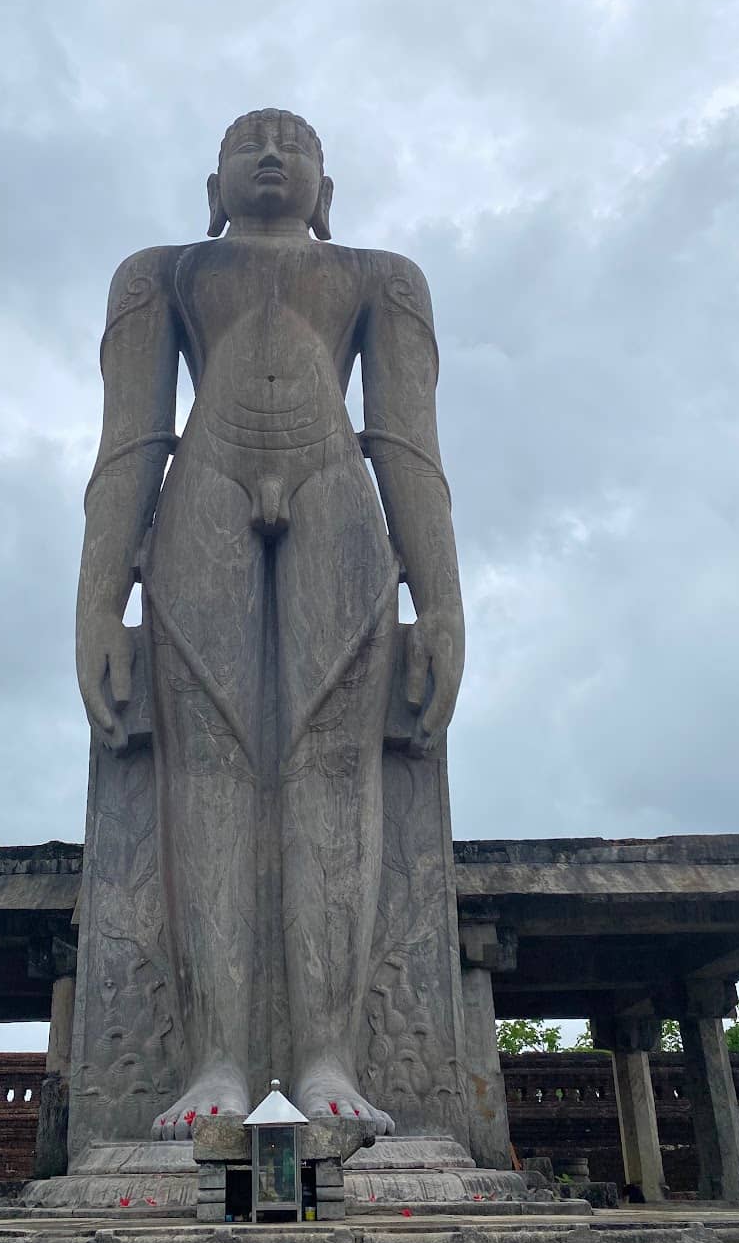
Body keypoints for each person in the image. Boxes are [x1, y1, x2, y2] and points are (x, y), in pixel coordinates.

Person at [76, 109, 464, 1138]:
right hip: (201, 498)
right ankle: (216, 1056)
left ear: (325, 193)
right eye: (250, 143)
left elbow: (407, 443)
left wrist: (441, 600)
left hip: (339, 502)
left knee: (335, 768)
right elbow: (130, 440)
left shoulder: (381, 278)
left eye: (293, 145)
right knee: (206, 769)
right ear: (213, 189)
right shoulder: (160, 274)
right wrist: (99, 602)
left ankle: (329, 1052)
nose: (271, 155)